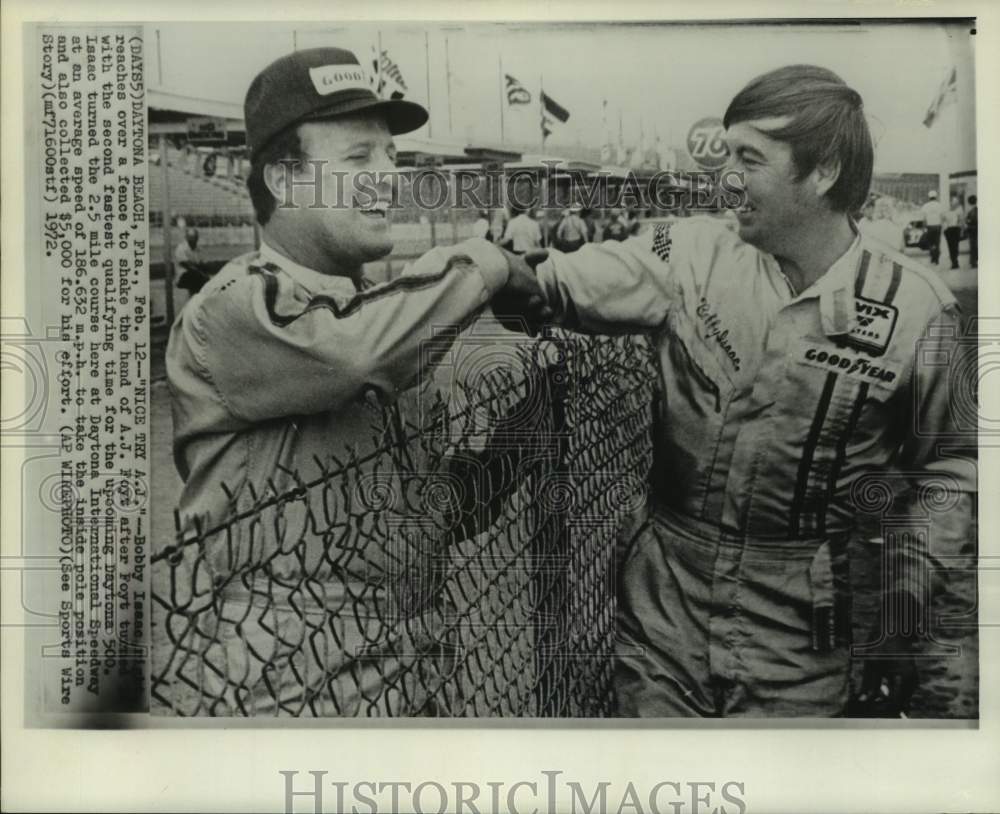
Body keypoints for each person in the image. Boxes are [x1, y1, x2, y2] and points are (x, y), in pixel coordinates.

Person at [508, 64, 974, 717]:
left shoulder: (917, 309)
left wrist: (903, 610)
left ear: (824, 172)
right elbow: (549, 284)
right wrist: (492, 272)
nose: (724, 179)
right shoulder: (687, 251)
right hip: (662, 624)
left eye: (749, 159)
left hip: (802, 647)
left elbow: (950, 471)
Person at [165, 46, 549, 716]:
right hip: (290, 690)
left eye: (391, 157)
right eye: (357, 159)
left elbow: (431, 518)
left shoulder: (386, 316)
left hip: (415, 672)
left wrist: (525, 432)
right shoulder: (231, 308)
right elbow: (350, 355)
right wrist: (487, 261)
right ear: (286, 181)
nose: (388, 179)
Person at [173, 227, 213, 295]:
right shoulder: (181, 248)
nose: (193, 239)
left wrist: (205, 272)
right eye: (190, 237)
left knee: (204, 274)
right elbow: (188, 266)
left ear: (197, 238)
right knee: (196, 275)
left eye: (194, 237)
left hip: (195, 274)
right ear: (186, 238)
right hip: (182, 277)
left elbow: (203, 264)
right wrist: (203, 275)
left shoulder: (199, 249)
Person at [920, 189, 944, 265]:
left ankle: (933, 257)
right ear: (936, 197)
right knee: (937, 243)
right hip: (937, 226)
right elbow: (942, 217)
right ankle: (936, 259)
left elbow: (924, 218)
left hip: (929, 226)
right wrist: (942, 226)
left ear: (929, 197)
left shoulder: (925, 206)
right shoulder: (939, 205)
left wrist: (923, 228)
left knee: (930, 243)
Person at [966, 194, 978, 268]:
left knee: (973, 246)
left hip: (972, 230)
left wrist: (968, 222)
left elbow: (970, 220)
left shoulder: (972, 211)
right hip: (975, 229)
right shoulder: (976, 209)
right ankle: (973, 261)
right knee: (974, 245)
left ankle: (973, 261)